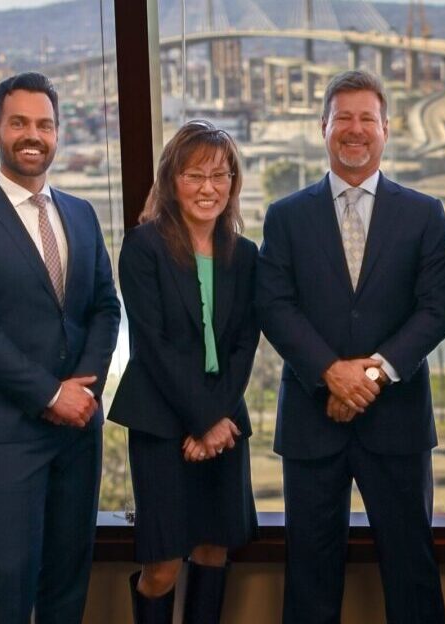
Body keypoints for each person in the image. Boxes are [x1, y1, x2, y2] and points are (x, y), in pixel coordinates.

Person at [257, 69, 445, 624]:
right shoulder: (286, 216)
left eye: (367, 118)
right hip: (311, 419)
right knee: (310, 576)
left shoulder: (423, 213)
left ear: (386, 130)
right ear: (323, 126)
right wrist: (329, 373)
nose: (355, 129)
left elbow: (438, 307)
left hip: (396, 421)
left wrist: (372, 375)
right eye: (342, 117)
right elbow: (274, 306)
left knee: (411, 570)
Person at [0, 72, 120, 623]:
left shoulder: (82, 213)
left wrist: (82, 391)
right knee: (11, 585)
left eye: (44, 124)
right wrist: (50, 395)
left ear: (57, 134)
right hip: (13, 433)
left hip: (79, 429)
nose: (33, 134)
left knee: (68, 585)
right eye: (19, 122)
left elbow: (105, 308)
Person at [108, 120, 260, 623]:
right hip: (161, 425)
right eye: (195, 175)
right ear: (172, 180)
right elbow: (155, 347)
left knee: (215, 551)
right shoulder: (144, 247)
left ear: (233, 184)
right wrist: (201, 422)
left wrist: (214, 421)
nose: (208, 188)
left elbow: (243, 345)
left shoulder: (246, 255)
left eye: (220, 176)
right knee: (164, 566)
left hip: (223, 424)